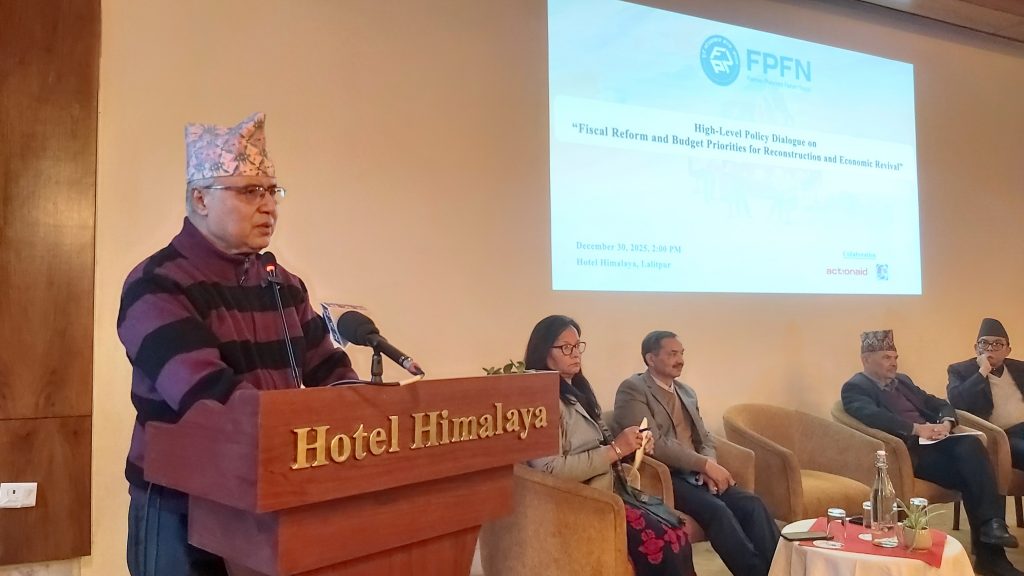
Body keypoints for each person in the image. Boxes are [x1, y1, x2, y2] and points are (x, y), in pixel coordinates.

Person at [117, 112, 358, 576]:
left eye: (272, 191)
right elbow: (210, 398)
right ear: (200, 198)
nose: (268, 207)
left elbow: (328, 369)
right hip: (181, 509)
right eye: (249, 192)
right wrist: (298, 442)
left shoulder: (283, 285)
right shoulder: (158, 284)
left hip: (270, 495)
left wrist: (361, 418)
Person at [525, 315, 694, 576]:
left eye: (577, 346)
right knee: (663, 543)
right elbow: (548, 470)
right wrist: (616, 449)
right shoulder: (539, 397)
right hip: (579, 499)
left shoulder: (577, 389)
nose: (575, 354)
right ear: (543, 351)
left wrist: (634, 444)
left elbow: (606, 442)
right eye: (565, 348)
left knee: (678, 531)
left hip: (611, 490)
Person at [843, 329, 1020, 576]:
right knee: (974, 465)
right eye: (886, 358)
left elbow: (938, 403)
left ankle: (992, 550)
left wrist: (946, 423)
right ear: (866, 360)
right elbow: (872, 416)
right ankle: (992, 541)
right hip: (908, 453)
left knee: (974, 463)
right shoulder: (855, 387)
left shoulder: (902, 381)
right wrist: (917, 429)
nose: (893, 363)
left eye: (895, 357)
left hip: (937, 444)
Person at [615, 330, 780, 576]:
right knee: (718, 511)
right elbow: (655, 443)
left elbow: (704, 437)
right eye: (672, 354)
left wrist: (709, 464)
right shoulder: (633, 389)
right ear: (650, 358)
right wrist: (704, 465)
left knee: (752, 504)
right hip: (665, 476)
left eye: (681, 354)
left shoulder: (686, 392)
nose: (680, 360)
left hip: (697, 473)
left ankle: (783, 569)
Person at [948, 318, 1024, 469]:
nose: (990, 348)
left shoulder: (1019, 368)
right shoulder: (961, 370)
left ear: (1008, 350)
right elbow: (957, 401)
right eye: (984, 343)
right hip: (1000, 435)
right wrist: (982, 371)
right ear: (976, 348)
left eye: (997, 344)